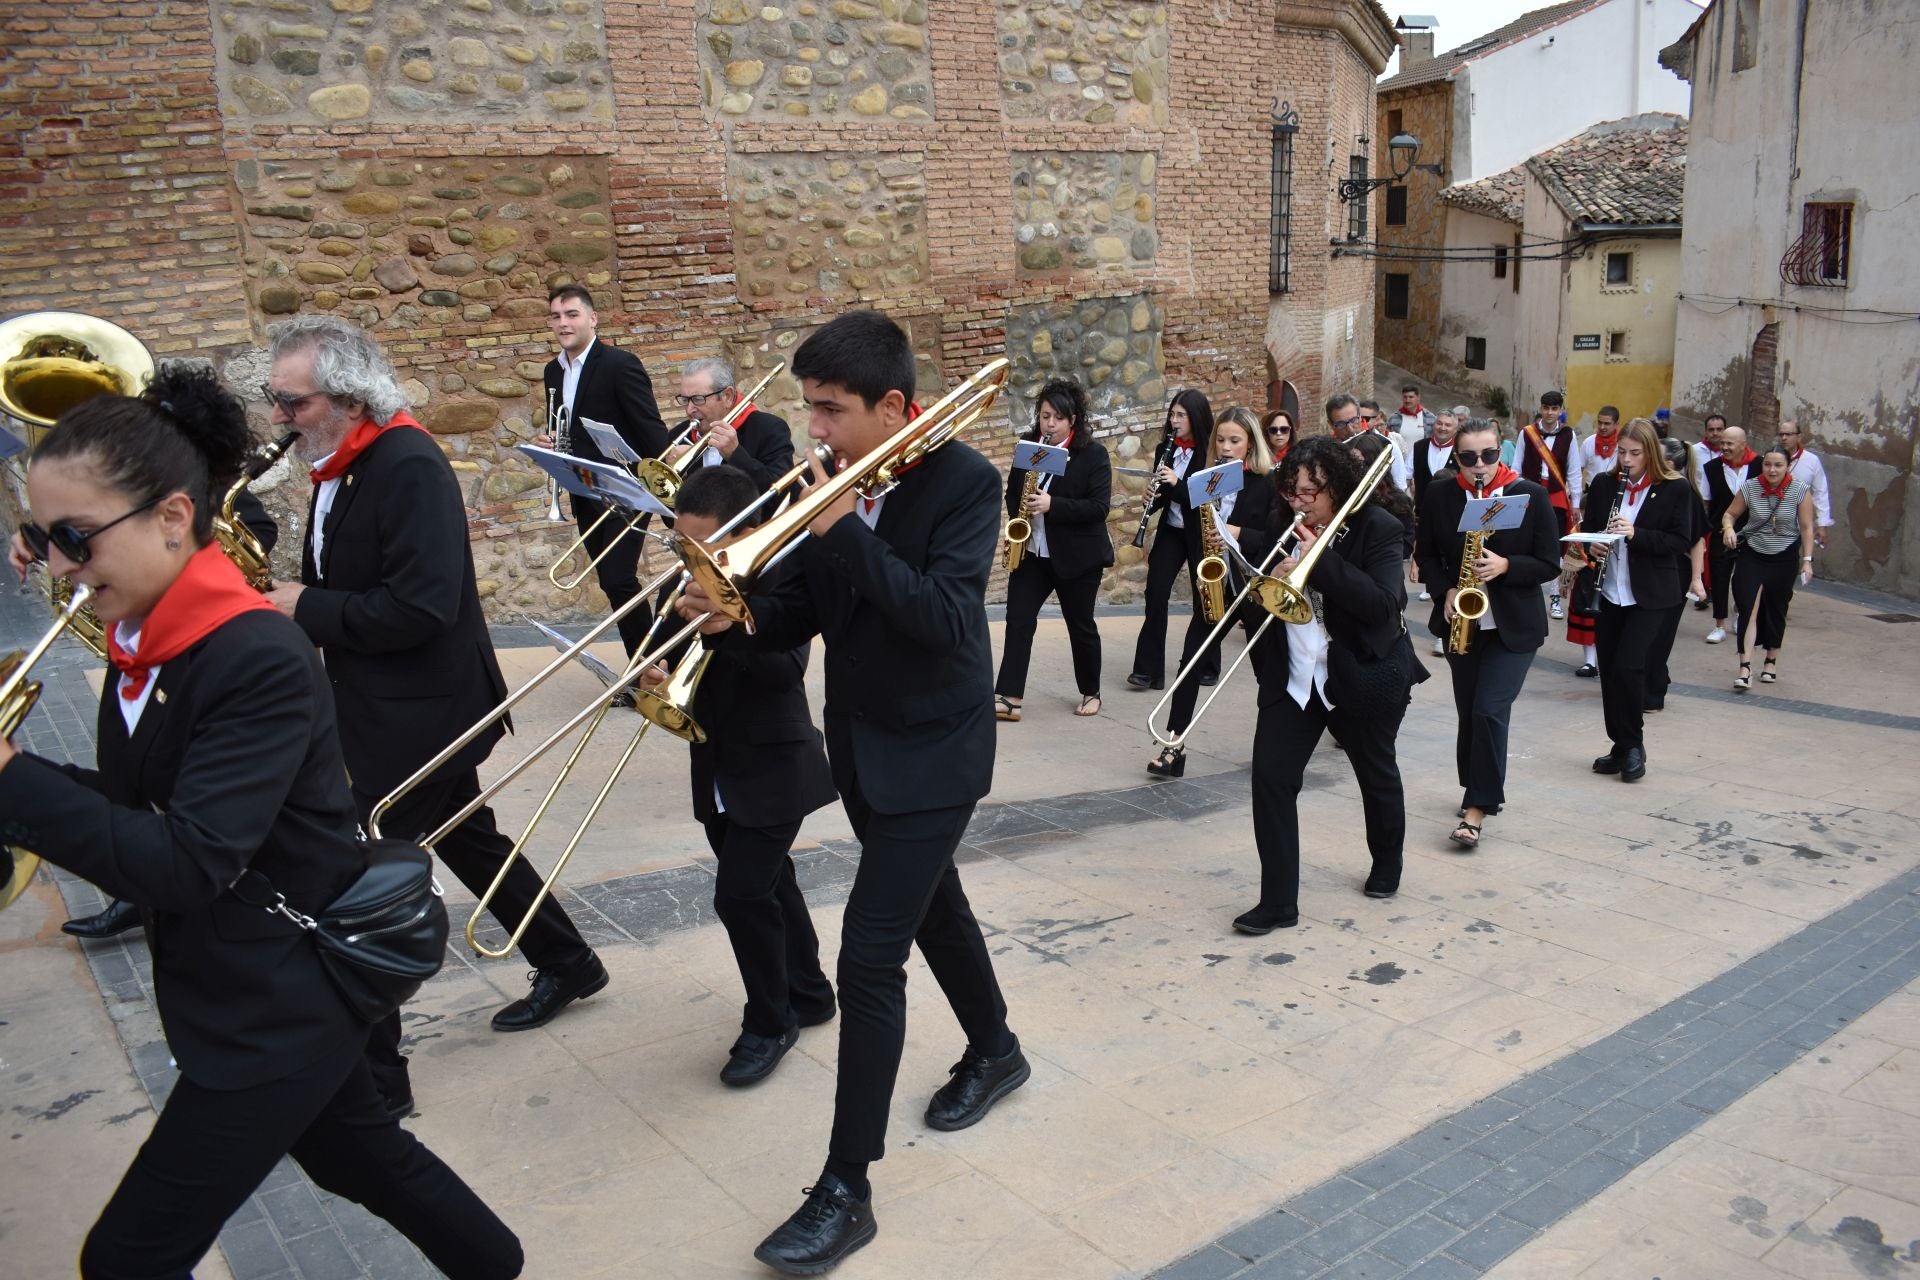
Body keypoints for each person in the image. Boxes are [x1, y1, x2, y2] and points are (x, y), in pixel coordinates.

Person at [0, 367, 523, 1280]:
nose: (59, 568)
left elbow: (186, 861)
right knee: (361, 1157)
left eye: (75, 539)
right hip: (234, 982)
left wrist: (12, 782)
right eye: (42, 540)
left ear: (171, 517)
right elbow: (138, 811)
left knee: (124, 1258)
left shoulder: (252, 654)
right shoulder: (143, 643)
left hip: (278, 1004)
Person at [676, 311, 1024, 1276]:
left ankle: (846, 1188)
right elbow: (803, 615)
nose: (814, 430)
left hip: (938, 756)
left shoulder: (963, 485)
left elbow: (945, 620)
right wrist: (730, 612)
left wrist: (840, 528)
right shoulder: (836, 483)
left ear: (895, 408)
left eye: (831, 411)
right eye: (811, 409)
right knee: (933, 906)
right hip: (865, 750)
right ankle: (996, 1048)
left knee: (869, 959)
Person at [261, 317, 608, 1119]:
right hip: (379, 705)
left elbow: (416, 608)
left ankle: (380, 1086)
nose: (280, 418)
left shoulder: (407, 464)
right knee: (466, 837)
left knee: (348, 883)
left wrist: (306, 607)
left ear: (346, 398)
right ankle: (570, 959)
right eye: (274, 400)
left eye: (292, 402)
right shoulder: (341, 464)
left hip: (420, 712)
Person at [640, 465, 839, 1085]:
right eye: (684, 544)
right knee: (773, 883)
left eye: (706, 545)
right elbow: (663, 658)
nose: (693, 558)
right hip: (718, 765)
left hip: (775, 766)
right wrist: (653, 674)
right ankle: (809, 992)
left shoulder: (779, 578)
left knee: (740, 894)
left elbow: (784, 672)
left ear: (746, 529)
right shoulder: (683, 582)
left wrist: (728, 623)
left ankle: (769, 1021)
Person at [57, 413, 286, 944]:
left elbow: (260, 529)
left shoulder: (258, 659)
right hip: (138, 642)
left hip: (192, 632)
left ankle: (141, 889)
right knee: (122, 765)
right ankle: (136, 891)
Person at [1235, 437, 1425, 934]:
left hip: (1360, 672)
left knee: (1375, 772)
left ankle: (1387, 863)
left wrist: (1318, 561)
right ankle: (1278, 902)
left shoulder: (1378, 529)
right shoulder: (1285, 522)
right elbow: (1261, 608)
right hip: (1297, 675)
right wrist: (1267, 581)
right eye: (1291, 491)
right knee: (1271, 780)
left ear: (1336, 490)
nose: (1296, 502)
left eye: (1307, 493)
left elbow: (1385, 605)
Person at [1414, 419, 1560, 848]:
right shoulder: (1441, 494)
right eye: (1469, 457)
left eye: (1490, 455)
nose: (1480, 465)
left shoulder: (1528, 495)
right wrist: (1446, 589)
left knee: (1489, 710)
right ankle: (1475, 785)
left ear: (1502, 453)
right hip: (1465, 621)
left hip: (1514, 625)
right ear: (1455, 458)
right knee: (1469, 713)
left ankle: (1477, 809)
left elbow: (1550, 562)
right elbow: (1426, 553)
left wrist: (1507, 566)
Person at [537, 284, 669, 657]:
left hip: (624, 489)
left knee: (619, 577)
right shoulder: (553, 371)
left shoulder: (620, 364)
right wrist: (551, 441)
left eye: (571, 314)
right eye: (556, 316)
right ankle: (644, 666)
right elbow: (566, 428)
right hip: (584, 490)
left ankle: (649, 667)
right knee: (612, 583)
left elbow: (650, 429)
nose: (563, 323)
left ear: (592, 319)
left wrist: (661, 477)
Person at [1146, 406, 1275, 777]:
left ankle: (1275, 744)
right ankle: (1173, 745)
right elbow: (1189, 525)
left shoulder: (1266, 483)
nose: (1226, 447)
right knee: (1190, 661)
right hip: (1216, 584)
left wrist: (1237, 534)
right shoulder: (1206, 479)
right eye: (1221, 439)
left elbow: (1275, 540)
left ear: (1251, 443)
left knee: (1267, 672)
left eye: (1235, 440)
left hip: (1253, 587)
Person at [1581, 416, 1694, 783]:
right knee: (1610, 671)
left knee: (1630, 666)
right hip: (1610, 590)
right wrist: (1594, 545)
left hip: (1652, 594)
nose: (1627, 460)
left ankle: (1633, 745)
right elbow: (1589, 529)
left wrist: (1636, 533)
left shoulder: (1675, 489)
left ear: (1650, 454)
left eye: (1635, 453)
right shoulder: (1603, 484)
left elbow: (1679, 541)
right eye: (1622, 452)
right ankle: (1619, 744)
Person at [994, 377, 1113, 722]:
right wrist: (1020, 514)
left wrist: (1052, 504)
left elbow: (1098, 508)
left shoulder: (1092, 455)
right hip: (1033, 550)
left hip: (1077, 556)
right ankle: (1010, 697)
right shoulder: (1029, 447)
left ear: (1072, 419)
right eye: (1044, 416)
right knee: (1018, 619)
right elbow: (1012, 492)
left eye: (1057, 418)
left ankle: (1091, 691)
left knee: (1080, 625)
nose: (1049, 424)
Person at [1126, 389, 1216, 691]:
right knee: (1156, 592)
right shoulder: (1167, 447)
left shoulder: (1210, 453)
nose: (1174, 420)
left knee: (1203, 596)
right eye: (1172, 414)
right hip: (1172, 531)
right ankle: (1148, 670)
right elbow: (1166, 493)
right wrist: (1150, 497)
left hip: (1201, 530)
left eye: (1181, 415)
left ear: (1196, 418)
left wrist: (1176, 483)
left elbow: (1201, 498)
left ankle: (1206, 663)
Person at [1723, 445, 1816, 691]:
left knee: (1776, 608)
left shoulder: (1800, 491)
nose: (1772, 470)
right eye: (1767, 465)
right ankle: (1745, 667)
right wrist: (1729, 528)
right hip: (1752, 554)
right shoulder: (1751, 487)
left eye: (1778, 465)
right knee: (1748, 607)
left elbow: (1806, 527)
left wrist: (1807, 560)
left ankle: (1771, 660)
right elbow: (1730, 514)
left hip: (1784, 557)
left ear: (1787, 467)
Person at [1642, 434, 1708, 712]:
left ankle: (1654, 693)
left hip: (1675, 572)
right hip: (1655, 568)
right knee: (1648, 633)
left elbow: (1697, 541)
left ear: (1668, 462)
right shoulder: (1657, 488)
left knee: (1661, 634)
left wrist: (1696, 579)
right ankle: (1650, 682)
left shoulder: (1686, 493)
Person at [669, 354, 797, 493]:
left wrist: (735, 455)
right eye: (685, 400)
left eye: (698, 399)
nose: (689, 409)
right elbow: (667, 509)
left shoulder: (770, 429)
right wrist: (678, 476)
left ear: (727, 396)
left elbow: (781, 493)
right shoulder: (677, 436)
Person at [1515, 390, 1583, 620]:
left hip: (1556, 496)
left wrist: (1575, 502)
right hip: (1531, 494)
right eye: (1546, 408)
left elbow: (1574, 470)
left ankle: (1555, 597)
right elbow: (1516, 467)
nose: (1550, 413)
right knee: (1526, 542)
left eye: (1554, 409)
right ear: (1541, 408)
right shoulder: (1527, 433)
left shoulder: (1568, 435)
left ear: (1561, 411)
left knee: (1556, 546)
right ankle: (1525, 594)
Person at [1700, 424, 1757, 644]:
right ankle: (1719, 625)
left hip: (1750, 532)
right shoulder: (1711, 468)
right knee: (1720, 578)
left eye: (1729, 443)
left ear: (1743, 445)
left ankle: (1740, 612)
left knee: (1745, 579)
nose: (1724, 447)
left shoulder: (1759, 465)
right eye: (1722, 443)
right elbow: (1707, 501)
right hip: (1719, 531)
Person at [1777, 421, 1834, 552]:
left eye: (1788, 434)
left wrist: (1822, 524)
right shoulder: (1770, 458)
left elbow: (1820, 492)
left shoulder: (1811, 461)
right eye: (1781, 434)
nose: (1784, 438)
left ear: (1799, 437)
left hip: (1795, 524)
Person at [1578, 405, 1622, 487]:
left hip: (1615, 491)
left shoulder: (1622, 444)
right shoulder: (1588, 442)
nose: (1602, 427)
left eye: (1607, 424)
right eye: (1600, 422)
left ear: (1616, 424)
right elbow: (1578, 470)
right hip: (1591, 491)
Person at [1388, 383, 1434, 453]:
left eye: (1411, 397)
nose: (1407, 400)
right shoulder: (1393, 419)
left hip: (1421, 461)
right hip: (1402, 461)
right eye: (1405, 397)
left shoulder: (1430, 418)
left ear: (1418, 397)